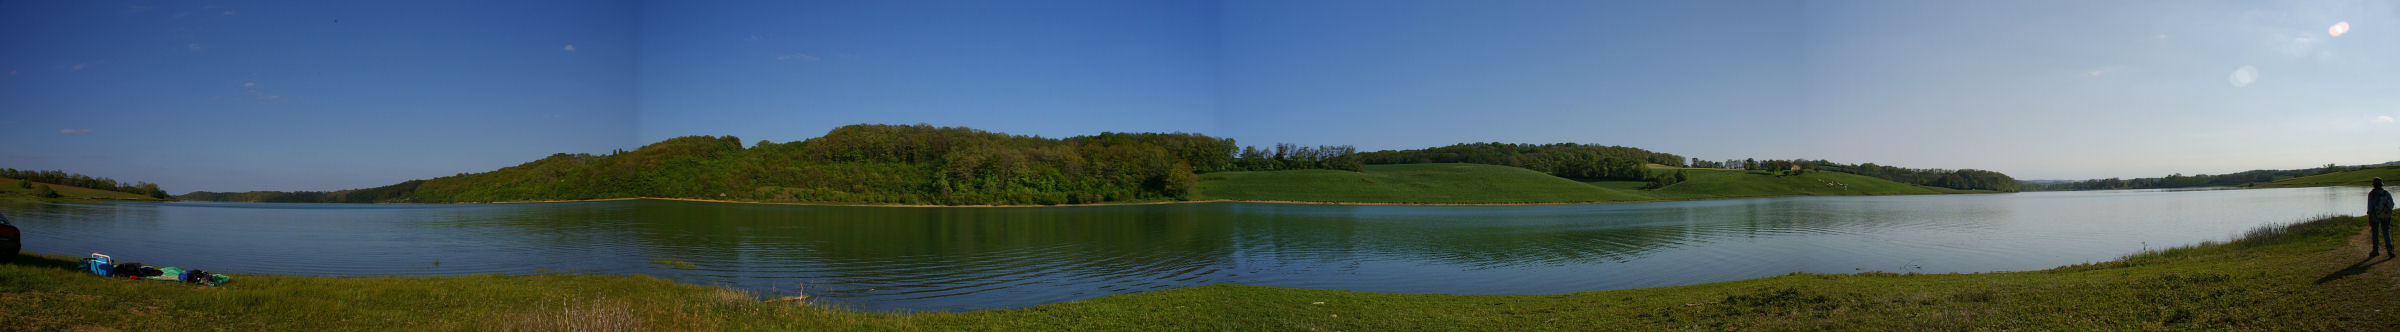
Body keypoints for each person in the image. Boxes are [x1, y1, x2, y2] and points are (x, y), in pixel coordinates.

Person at [2371, 178, 2395, 257]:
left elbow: (2370, 208)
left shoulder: (2371, 194)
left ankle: (2375, 250)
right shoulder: (2386, 193)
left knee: (2375, 233)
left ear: (2374, 185)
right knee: (2386, 231)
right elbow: (2392, 204)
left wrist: (2369, 218)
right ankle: (2389, 250)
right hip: (2386, 215)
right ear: (2381, 185)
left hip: (2375, 216)